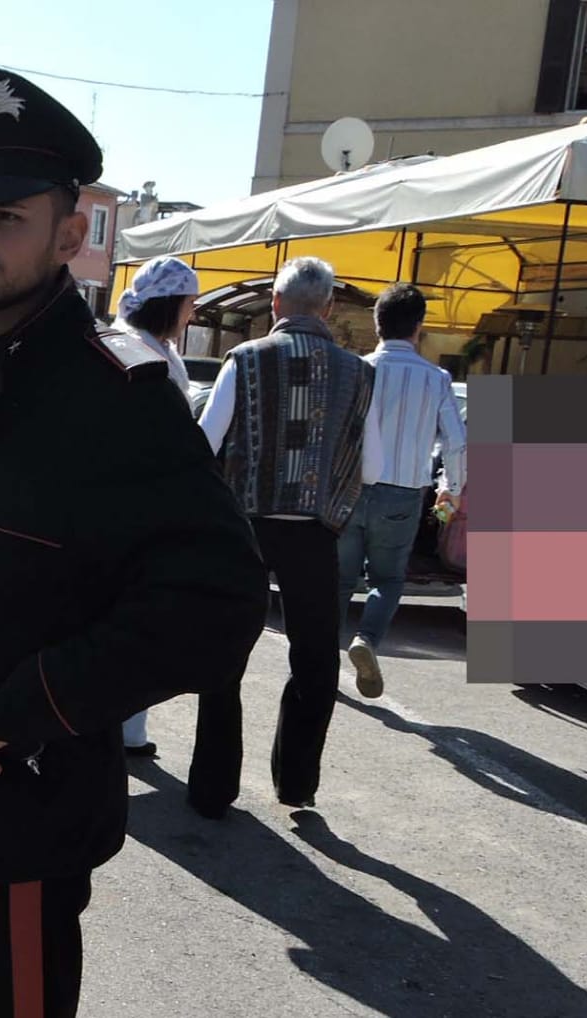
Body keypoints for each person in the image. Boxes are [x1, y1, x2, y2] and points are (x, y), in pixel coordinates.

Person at [0, 67, 266, 1017]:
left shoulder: (115, 396)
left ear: (72, 235)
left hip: (19, 800)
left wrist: (35, 702)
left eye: (5, 218)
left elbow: (220, 602)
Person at [190, 256, 384, 816]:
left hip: (245, 528)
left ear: (275, 303)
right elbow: (370, 466)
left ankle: (212, 789)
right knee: (316, 660)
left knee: (226, 656)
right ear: (326, 308)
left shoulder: (244, 360)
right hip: (315, 536)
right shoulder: (358, 373)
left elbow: (205, 443)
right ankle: (296, 784)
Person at [338, 283, 466, 697]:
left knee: (339, 579)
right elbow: (456, 441)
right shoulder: (437, 378)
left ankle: (321, 655)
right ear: (419, 327)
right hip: (404, 494)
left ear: (377, 324)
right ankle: (367, 640)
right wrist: (453, 488)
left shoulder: (356, 369)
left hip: (353, 488)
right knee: (389, 578)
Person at [109, 255, 202, 757]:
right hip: (138, 507)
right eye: (189, 304)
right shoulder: (143, 355)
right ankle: (118, 727)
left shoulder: (149, 347)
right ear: (170, 304)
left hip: (134, 504)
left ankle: (127, 728)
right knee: (133, 618)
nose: (192, 314)